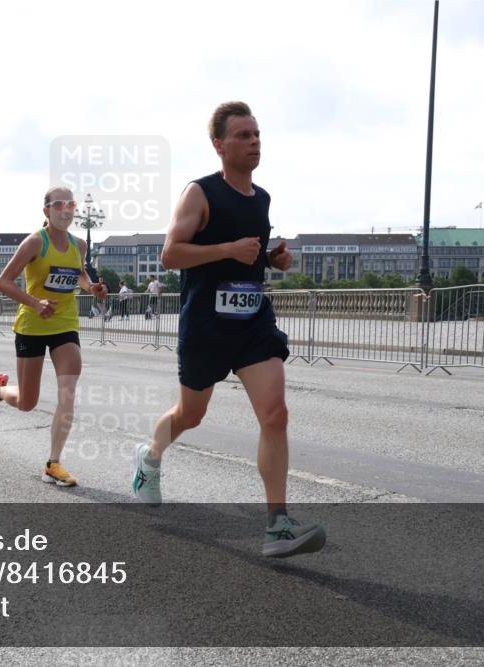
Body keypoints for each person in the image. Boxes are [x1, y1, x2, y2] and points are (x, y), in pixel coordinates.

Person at [131, 101, 325, 559]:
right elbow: (171, 255)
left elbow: (247, 256)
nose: (254, 141)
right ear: (219, 145)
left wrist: (269, 259)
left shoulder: (262, 199)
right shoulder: (199, 193)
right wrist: (228, 249)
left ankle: (277, 524)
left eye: (257, 134)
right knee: (190, 415)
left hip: (253, 320)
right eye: (243, 135)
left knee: (275, 414)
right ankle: (150, 457)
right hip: (206, 324)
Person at [0, 186, 108, 487]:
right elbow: (3, 282)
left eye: (71, 204)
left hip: (65, 323)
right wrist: (35, 303)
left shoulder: (79, 244)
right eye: (59, 204)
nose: (66, 209)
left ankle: (53, 463)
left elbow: (79, 274)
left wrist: (91, 287)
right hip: (33, 326)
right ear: (47, 211)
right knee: (28, 402)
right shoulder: (33, 243)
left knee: (68, 390)